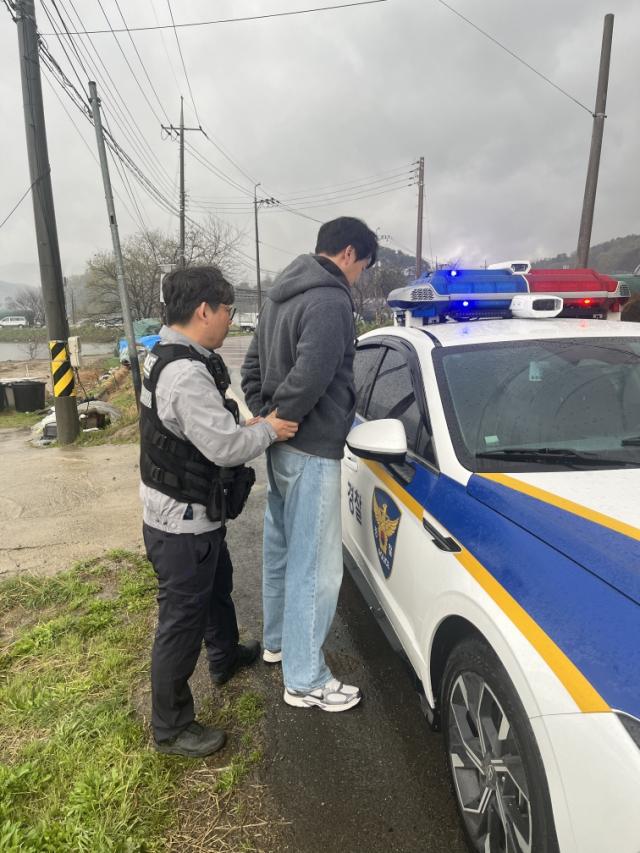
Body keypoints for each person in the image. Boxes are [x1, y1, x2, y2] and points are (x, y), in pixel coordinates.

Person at [140, 265, 298, 757]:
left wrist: (244, 425)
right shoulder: (186, 373)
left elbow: (199, 430)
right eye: (228, 309)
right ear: (204, 310)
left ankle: (225, 657)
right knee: (181, 620)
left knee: (215, 589)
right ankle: (171, 728)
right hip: (181, 522)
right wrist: (269, 430)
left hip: (185, 513)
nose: (231, 318)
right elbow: (225, 448)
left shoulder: (167, 353)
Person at [241, 216, 378, 712]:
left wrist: (267, 418)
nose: (358, 276)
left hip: (281, 445)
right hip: (312, 446)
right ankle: (305, 680)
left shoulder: (278, 296)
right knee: (316, 568)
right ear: (348, 253)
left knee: (281, 549)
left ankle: (278, 644)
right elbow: (314, 374)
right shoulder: (330, 299)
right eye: (362, 266)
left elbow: (250, 367)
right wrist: (284, 417)